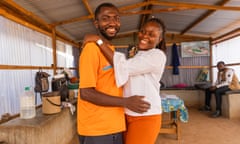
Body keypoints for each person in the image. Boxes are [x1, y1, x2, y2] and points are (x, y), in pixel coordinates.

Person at [83, 17, 167, 144]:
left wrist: (100, 42)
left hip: (146, 115)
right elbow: (122, 75)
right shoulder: (138, 55)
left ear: (159, 39)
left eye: (151, 34)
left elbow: (123, 67)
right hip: (127, 113)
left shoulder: (157, 55)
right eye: (143, 31)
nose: (144, 36)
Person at [77, 3, 151, 144]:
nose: (112, 23)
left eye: (116, 18)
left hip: (114, 125)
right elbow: (86, 93)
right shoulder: (91, 49)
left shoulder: (110, 49)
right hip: (97, 129)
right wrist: (126, 102)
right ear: (96, 24)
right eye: (106, 18)